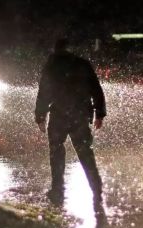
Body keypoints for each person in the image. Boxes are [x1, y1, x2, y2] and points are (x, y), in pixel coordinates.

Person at [35, 38, 106, 204]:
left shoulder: (51, 65)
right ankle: (96, 188)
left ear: (56, 49)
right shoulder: (82, 64)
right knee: (85, 152)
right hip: (80, 115)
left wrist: (40, 116)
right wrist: (99, 113)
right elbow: (96, 89)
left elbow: (44, 92)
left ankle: (58, 189)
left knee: (56, 151)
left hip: (59, 115)